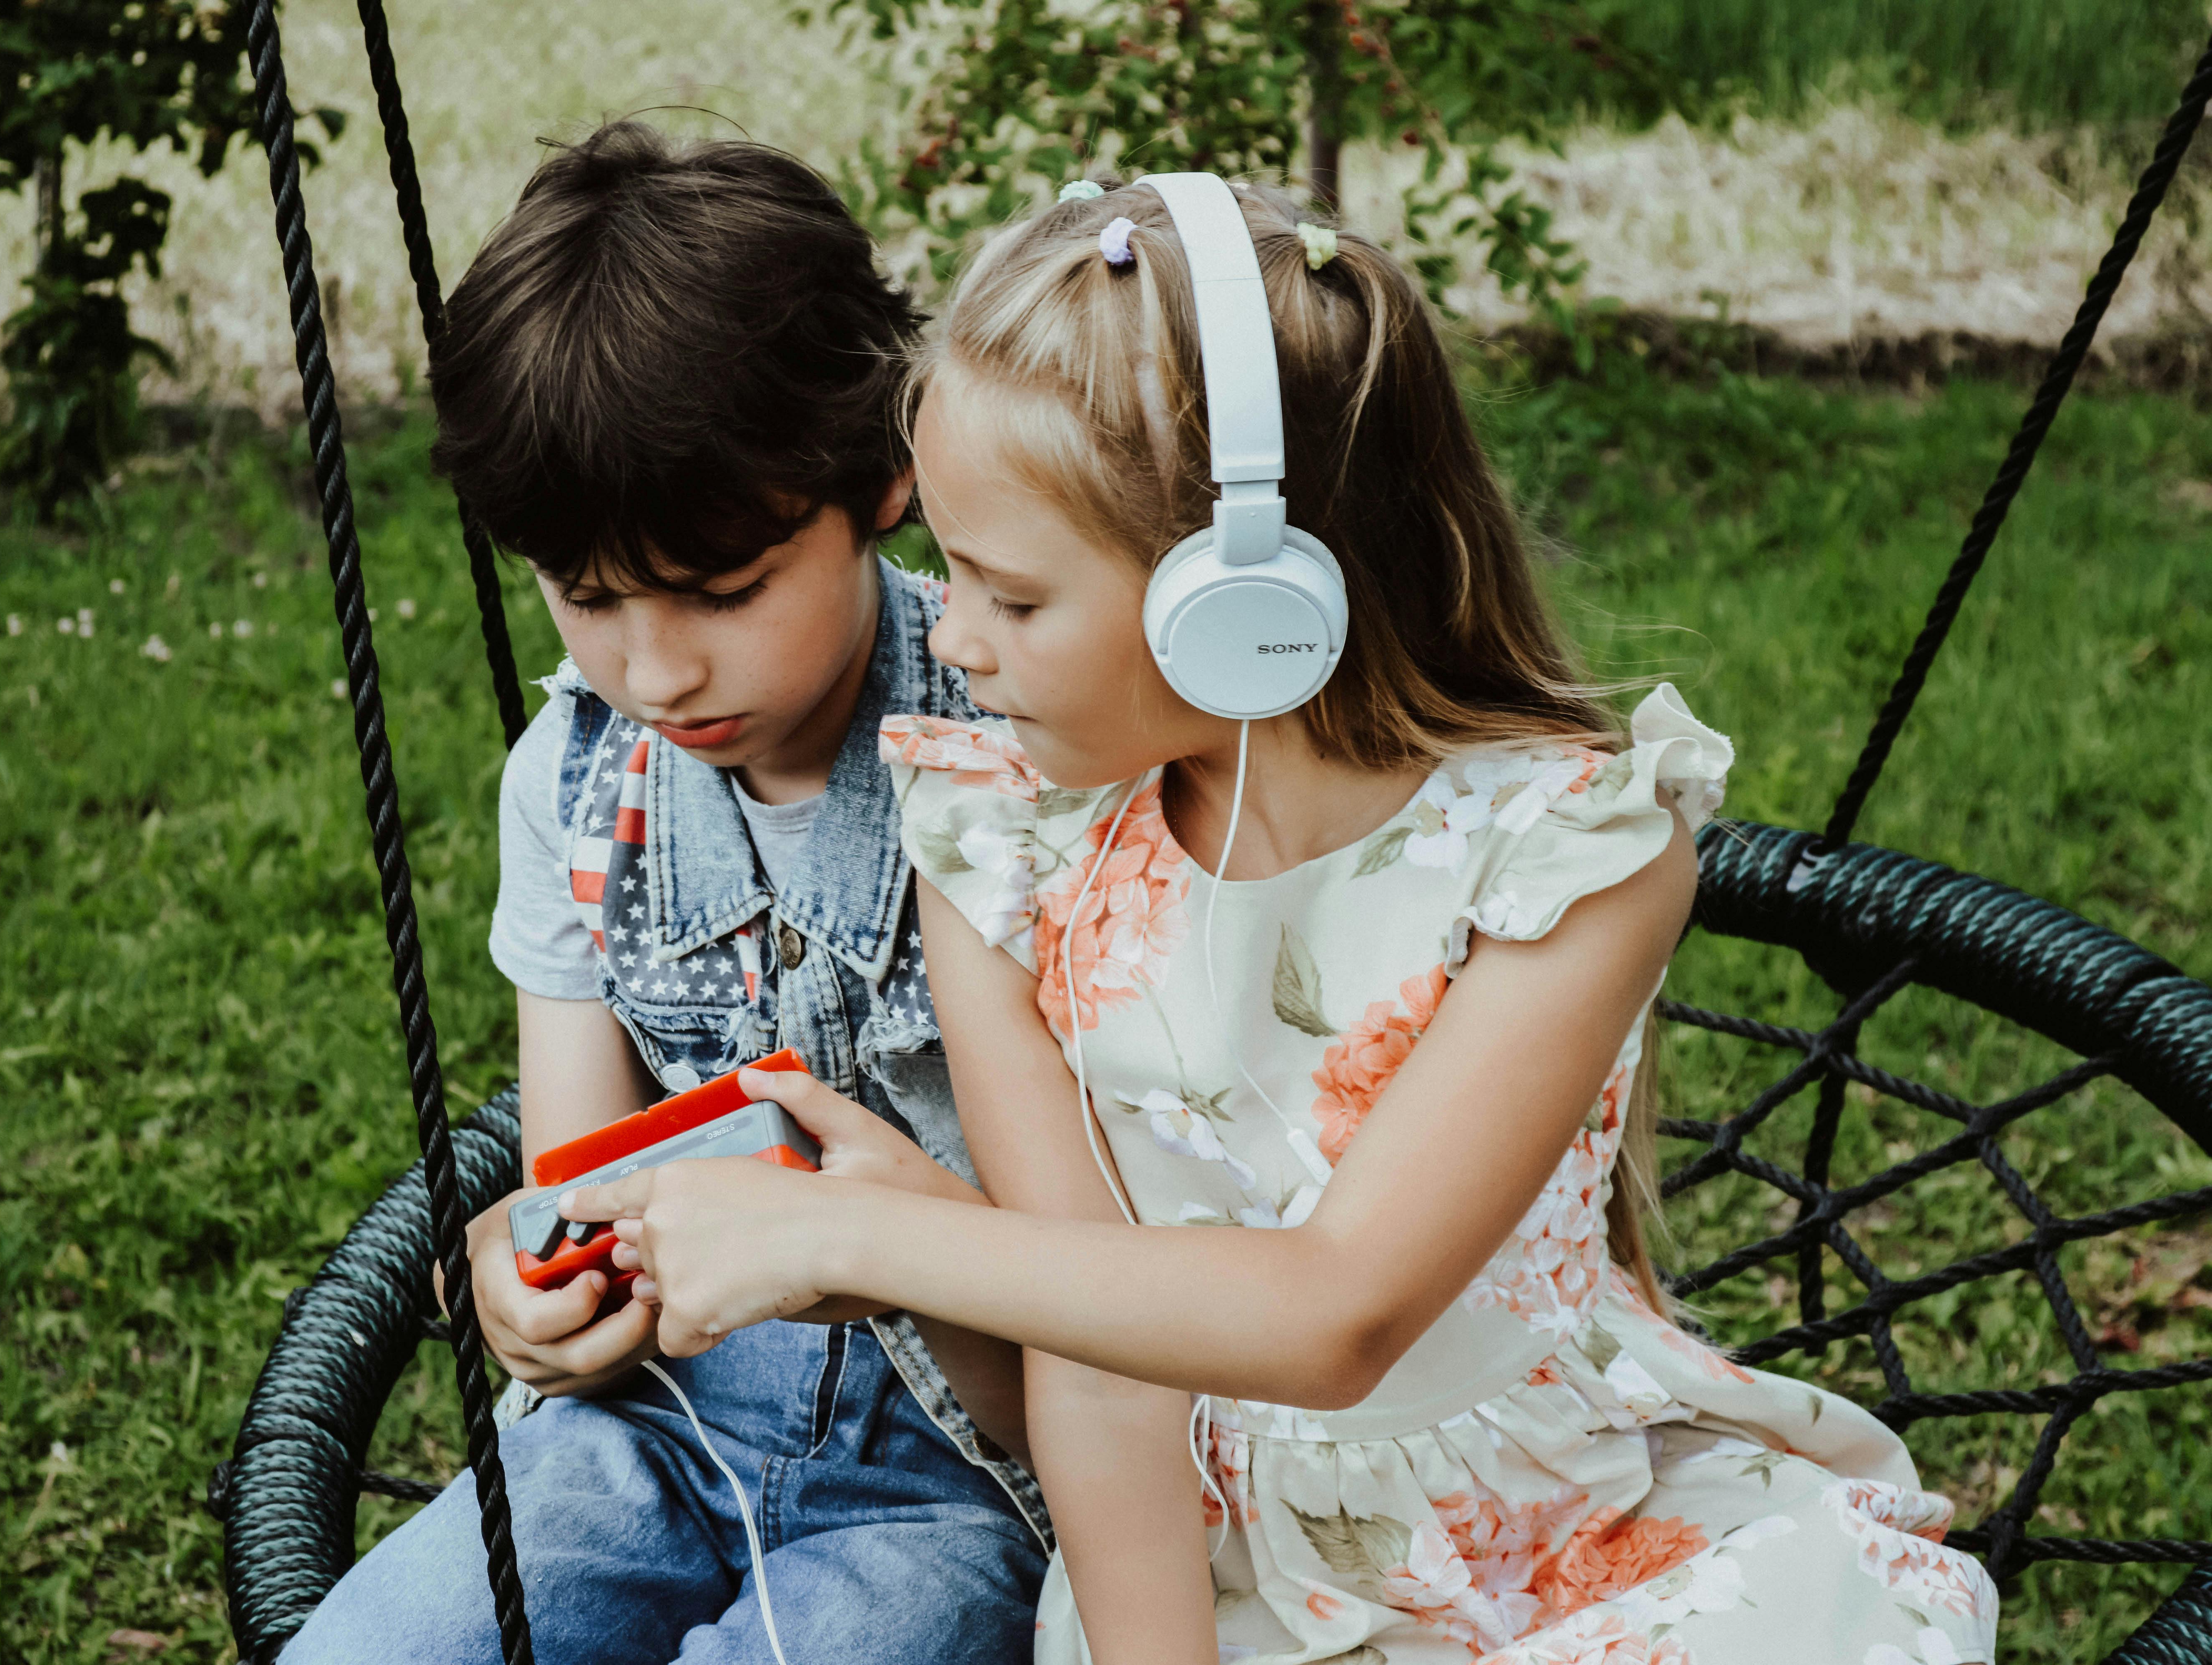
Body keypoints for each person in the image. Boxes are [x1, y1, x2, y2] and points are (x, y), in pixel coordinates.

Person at [563, 176, 2001, 1665]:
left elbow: (1339, 1314)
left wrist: (861, 1231)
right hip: (1206, 1570)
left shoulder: (1568, 857)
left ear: (1245, 606)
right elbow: (1097, 1367)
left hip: (1574, 1531)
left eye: (1010, 595)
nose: (956, 642)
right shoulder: (1003, 852)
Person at [279, 121, 1048, 1665]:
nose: (653, 668)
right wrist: (526, 1287)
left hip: (963, 1478)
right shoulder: (570, 783)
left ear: (884, 478)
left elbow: (1107, 1290)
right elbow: (581, 1178)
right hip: (651, 1434)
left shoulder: (1024, 749)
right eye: (589, 595)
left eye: (722, 591)